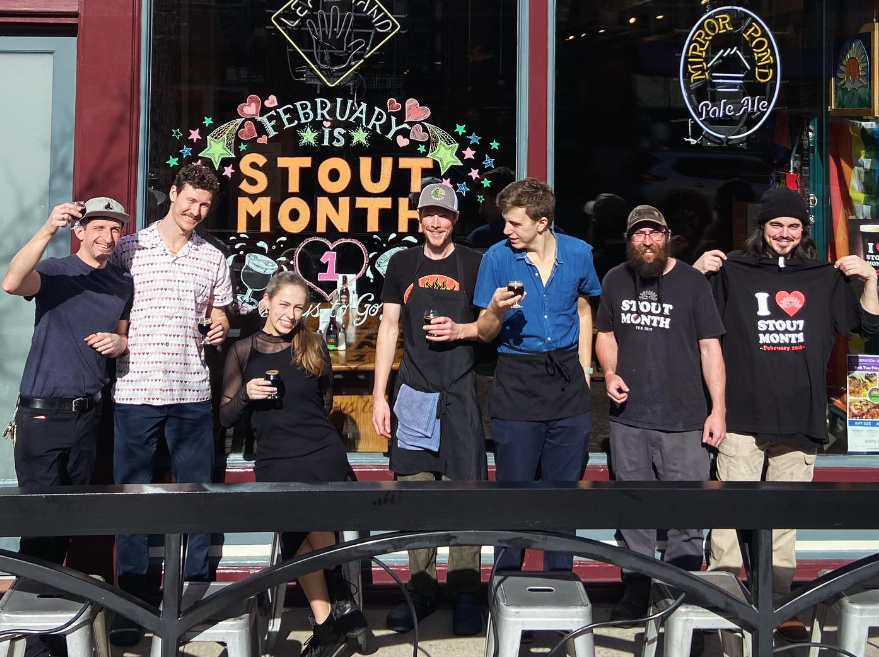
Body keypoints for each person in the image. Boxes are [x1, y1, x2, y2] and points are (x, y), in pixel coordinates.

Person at [694, 186, 879, 642]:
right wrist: (696, 274)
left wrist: (871, 279)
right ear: (763, 227)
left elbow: (868, 326)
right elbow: (693, 323)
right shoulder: (733, 271)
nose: (784, 233)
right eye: (776, 225)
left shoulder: (823, 277)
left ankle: (775, 610)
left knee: (783, 523)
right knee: (728, 517)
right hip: (739, 416)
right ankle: (724, 607)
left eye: (793, 226)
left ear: (803, 230)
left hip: (800, 420)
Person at [109, 164, 233, 645]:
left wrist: (219, 325)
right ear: (173, 193)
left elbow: (217, 312)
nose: (196, 212)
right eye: (190, 201)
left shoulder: (212, 257)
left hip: (191, 390)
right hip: (136, 389)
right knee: (133, 497)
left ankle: (194, 593)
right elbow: (109, 307)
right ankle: (133, 600)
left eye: (204, 206)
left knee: (195, 495)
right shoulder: (128, 247)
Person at [220, 271, 366, 657]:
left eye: (299, 307)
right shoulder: (243, 351)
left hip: (320, 451)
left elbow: (326, 400)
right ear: (265, 301)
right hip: (274, 456)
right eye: (284, 304)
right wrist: (248, 395)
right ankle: (339, 600)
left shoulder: (312, 344)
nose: (291, 314)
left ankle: (324, 628)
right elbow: (225, 418)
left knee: (304, 526)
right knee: (293, 533)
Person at [594, 205, 726, 626]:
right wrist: (610, 371)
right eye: (638, 235)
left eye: (654, 233)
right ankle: (637, 591)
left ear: (668, 236)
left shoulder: (692, 283)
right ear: (628, 239)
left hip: (685, 418)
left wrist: (718, 410)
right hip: (629, 418)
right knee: (634, 514)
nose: (646, 241)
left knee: (686, 515)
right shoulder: (615, 278)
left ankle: (680, 596)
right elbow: (605, 335)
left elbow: (710, 349)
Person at [372, 183, 487, 636]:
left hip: (459, 393)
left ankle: (464, 593)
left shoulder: (476, 264)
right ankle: (420, 591)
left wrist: (462, 329)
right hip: (415, 391)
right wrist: (379, 396)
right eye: (427, 215)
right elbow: (387, 327)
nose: (435, 223)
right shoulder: (402, 263)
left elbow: (491, 325)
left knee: (465, 495)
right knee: (416, 496)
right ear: (418, 219)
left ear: (455, 220)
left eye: (443, 215)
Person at [474, 177, 601, 572]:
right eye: (505, 222)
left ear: (542, 222)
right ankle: (507, 586)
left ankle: (560, 587)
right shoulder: (496, 257)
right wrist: (495, 308)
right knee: (515, 496)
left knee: (562, 497)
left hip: (566, 378)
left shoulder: (579, 253)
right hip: (516, 377)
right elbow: (483, 331)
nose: (506, 230)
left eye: (515, 223)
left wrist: (584, 365)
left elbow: (583, 308)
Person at [3, 198, 133, 563]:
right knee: (40, 519)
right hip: (43, 415)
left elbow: (122, 336)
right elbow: (11, 283)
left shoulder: (122, 282)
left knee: (71, 518)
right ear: (79, 232)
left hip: (88, 414)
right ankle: (32, 605)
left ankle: (57, 603)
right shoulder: (56, 271)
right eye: (98, 228)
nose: (107, 237)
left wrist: (121, 342)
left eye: (114, 229)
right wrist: (47, 228)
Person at [467, 167, 517, 249]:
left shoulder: (480, 237)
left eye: (483, 202)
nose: (481, 211)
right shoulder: (531, 234)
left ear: (499, 201)